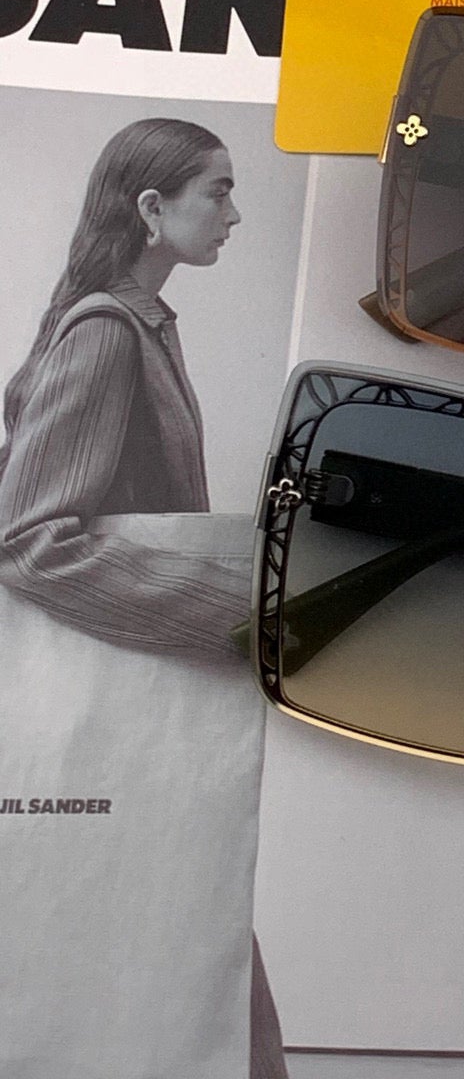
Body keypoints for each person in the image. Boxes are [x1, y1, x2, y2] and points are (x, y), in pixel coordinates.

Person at [0, 116, 286, 1079]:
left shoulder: (132, 325)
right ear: (153, 208)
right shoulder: (105, 333)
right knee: (196, 967)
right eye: (220, 191)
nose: (234, 215)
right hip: (129, 710)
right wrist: (237, 617)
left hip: (131, 722)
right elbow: (28, 537)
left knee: (196, 963)